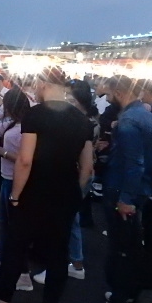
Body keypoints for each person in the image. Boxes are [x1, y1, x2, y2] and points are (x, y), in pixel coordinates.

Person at [0, 67, 94, 303]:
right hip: (66, 192)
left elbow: (25, 160)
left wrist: (15, 195)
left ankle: (3, 299)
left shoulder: (35, 115)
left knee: (15, 247)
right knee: (58, 253)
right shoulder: (82, 119)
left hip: (34, 192)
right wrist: (76, 190)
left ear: (43, 84)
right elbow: (87, 167)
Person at [32, 78, 99, 285]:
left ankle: (71, 266)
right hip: (75, 177)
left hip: (75, 177)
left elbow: (86, 164)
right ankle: (71, 265)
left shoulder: (83, 123)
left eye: (71, 97)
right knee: (68, 223)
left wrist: (76, 192)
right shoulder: (85, 121)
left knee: (67, 225)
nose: (67, 101)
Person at [99, 75, 152, 303]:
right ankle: (129, 292)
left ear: (119, 92)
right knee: (131, 246)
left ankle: (121, 295)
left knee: (122, 247)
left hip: (123, 188)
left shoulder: (130, 120)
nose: (109, 100)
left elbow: (134, 162)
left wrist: (126, 198)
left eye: (110, 95)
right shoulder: (144, 114)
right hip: (139, 187)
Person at [0, 87, 34, 292]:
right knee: (3, 223)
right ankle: (0, 261)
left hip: (15, 181)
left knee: (15, 229)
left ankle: (23, 274)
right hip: (5, 178)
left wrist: (2, 152)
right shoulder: (13, 124)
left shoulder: (24, 128)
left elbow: (25, 159)